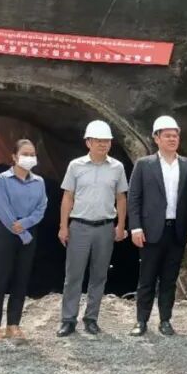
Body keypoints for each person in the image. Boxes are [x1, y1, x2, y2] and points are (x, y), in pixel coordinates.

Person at [127, 116, 187, 337]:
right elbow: (134, 198)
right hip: (151, 231)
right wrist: (136, 227)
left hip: (177, 231)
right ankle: (141, 321)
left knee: (169, 280)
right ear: (156, 138)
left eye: (175, 135)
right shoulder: (144, 165)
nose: (172, 139)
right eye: (167, 135)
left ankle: (165, 320)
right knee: (147, 279)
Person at [57, 120, 129, 337]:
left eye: (106, 141)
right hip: (80, 226)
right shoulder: (75, 166)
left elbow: (121, 197)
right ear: (88, 142)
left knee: (99, 275)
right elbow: (67, 197)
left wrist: (121, 226)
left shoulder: (117, 167)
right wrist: (63, 226)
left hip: (105, 227)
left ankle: (91, 318)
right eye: (98, 140)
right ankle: (68, 319)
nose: (103, 144)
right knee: (74, 275)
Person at [0, 139, 47, 342]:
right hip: (6, 231)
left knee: (21, 279)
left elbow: (41, 207)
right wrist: (22, 233)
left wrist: (26, 224)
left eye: (32, 154)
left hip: (29, 231)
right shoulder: (2, 179)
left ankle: (13, 324)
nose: (29, 158)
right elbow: (2, 209)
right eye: (25, 154)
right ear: (14, 157)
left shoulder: (39, 182)